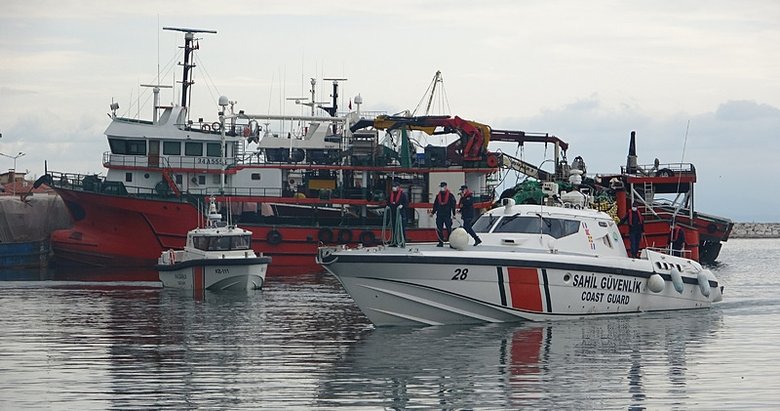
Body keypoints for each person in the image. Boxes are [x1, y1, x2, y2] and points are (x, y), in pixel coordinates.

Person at [431, 181, 456, 247]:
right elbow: (435, 205)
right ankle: (440, 242)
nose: (441, 188)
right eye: (441, 187)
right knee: (439, 228)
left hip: (447, 214)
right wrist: (432, 213)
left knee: (449, 228)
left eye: (442, 187)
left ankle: (451, 242)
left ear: (445, 187)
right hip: (439, 214)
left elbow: (453, 205)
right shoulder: (438, 196)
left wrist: (454, 214)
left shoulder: (450, 196)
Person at [387, 180, 409, 246]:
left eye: (395, 186)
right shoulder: (391, 194)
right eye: (393, 186)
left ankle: (402, 241)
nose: (393, 188)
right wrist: (388, 205)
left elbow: (406, 203)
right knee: (394, 227)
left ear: (398, 187)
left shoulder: (403, 195)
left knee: (401, 227)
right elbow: (388, 201)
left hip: (400, 213)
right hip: (393, 213)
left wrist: (402, 206)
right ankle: (394, 241)